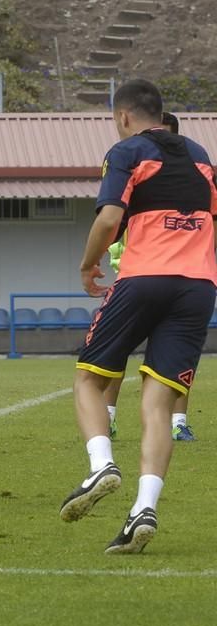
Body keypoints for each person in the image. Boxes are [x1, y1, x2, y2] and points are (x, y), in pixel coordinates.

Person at [60, 80, 217, 553]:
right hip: (198, 288)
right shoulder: (201, 156)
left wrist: (89, 264)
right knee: (159, 404)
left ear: (124, 116)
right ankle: (143, 511)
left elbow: (109, 219)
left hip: (145, 278)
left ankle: (101, 464)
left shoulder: (126, 151)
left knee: (88, 377)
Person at [103, 112, 195, 442]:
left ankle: (178, 421)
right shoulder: (134, 178)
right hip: (134, 278)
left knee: (175, 355)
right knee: (115, 352)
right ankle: (108, 418)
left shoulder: (188, 181)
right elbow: (111, 221)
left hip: (180, 280)